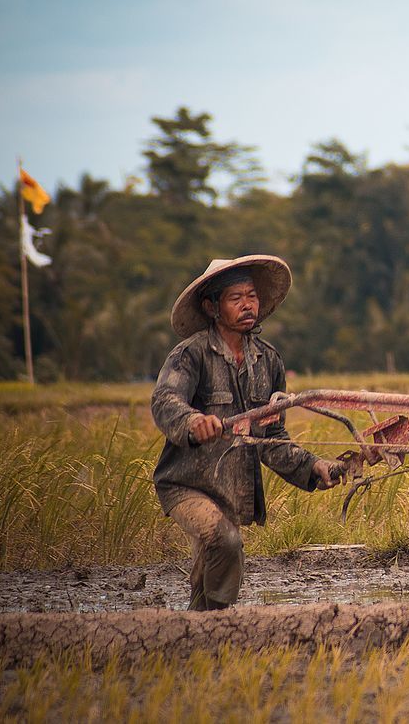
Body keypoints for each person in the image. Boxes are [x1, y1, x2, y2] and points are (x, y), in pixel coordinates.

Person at [151, 255, 344, 610]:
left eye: (252, 296)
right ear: (212, 307)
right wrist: (193, 421)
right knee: (224, 541)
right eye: (235, 298)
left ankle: (195, 635)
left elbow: (270, 440)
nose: (247, 305)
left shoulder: (268, 361)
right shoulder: (190, 355)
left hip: (230, 490)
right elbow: (165, 402)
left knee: (211, 566)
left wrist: (313, 467)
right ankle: (221, 626)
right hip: (186, 483)